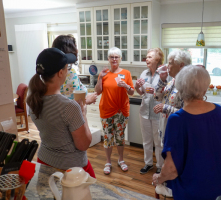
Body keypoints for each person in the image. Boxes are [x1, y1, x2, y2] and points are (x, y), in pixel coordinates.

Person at [152, 65, 221, 200]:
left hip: (195, 190)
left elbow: (171, 170)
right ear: (205, 87)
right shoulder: (219, 111)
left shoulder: (177, 119)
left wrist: (158, 178)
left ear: (180, 88)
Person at [27, 48, 95, 178]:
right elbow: (83, 145)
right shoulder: (69, 107)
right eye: (67, 68)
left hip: (44, 161)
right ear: (60, 73)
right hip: (70, 169)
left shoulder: (33, 101)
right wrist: (84, 114)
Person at [95, 47, 134, 175]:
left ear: (120, 59)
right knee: (108, 137)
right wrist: (100, 78)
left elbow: (132, 92)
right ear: (108, 59)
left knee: (120, 137)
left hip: (121, 111)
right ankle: (108, 162)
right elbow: (98, 91)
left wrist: (126, 86)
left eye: (116, 57)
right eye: (111, 57)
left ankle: (121, 160)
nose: (114, 59)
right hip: (106, 110)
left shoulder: (126, 73)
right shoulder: (104, 74)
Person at [134, 48, 164, 174]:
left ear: (157, 59)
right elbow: (141, 92)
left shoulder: (163, 74)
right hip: (144, 111)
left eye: (150, 57)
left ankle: (160, 166)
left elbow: (166, 94)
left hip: (158, 112)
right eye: (147, 57)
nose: (147, 58)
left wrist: (157, 92)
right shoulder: (143, 74)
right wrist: (136, 86)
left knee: (158, 141)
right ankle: (148, 163)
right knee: (146, 140)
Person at [153, 50, 191, 145]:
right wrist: (162, 80)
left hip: (177, 132)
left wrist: (166, 108)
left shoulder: (187, 85)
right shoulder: (171, 82)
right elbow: (157, 97)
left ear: (181, 65)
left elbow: (188, 113)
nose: (167, 66)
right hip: (166, 128)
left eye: (170, 63)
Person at [52, 35, 97, 105]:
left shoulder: (63, 70)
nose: (77, 50)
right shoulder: (67, 73)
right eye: (75, 47)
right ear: (68, 50)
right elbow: (71, 106)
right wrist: (87, 100)